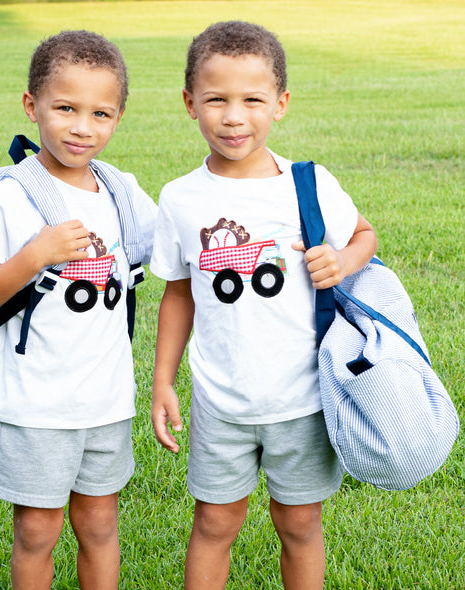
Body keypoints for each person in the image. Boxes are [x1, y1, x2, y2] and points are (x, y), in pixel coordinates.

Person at [150, 21, 378, 590]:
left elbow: (365, 236)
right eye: (216, 100)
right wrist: (163, 379)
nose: (234, 116)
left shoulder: (308, 183)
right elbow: (179, 291)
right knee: (214, 521)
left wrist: (343, 262)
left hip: (301, 397)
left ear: (280, 104)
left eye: (252, 99)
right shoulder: (180, 197)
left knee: (299, 523)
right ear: (189, 103)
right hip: (219, 400)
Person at [0, 30, 157, 590]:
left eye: (101, 113)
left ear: (118, 118)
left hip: (107, 400)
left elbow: (173, 248)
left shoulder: (122, 191)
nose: (81, 127)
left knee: (99, 523)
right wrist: (36, 255)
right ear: (32, 105)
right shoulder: (12, 197)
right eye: (65, 108)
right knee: (37, 532)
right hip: (36, 405)